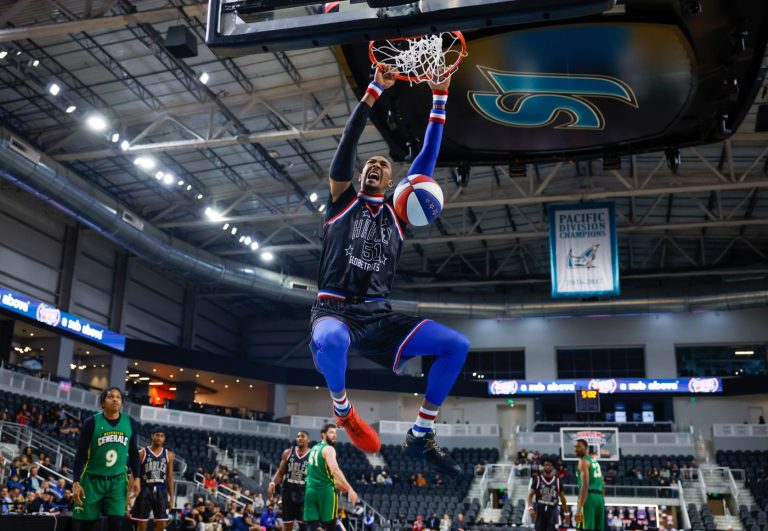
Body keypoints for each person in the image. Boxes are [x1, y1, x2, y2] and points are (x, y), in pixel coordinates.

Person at [308, 64, 469, 475]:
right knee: (330, 340)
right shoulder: (342, 198)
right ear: (360, 175)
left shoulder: (400, 212)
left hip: (379, 315)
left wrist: (440, 96)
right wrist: (374, 90)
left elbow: (428, 155)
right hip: (334, 308)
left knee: (456, 345)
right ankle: (343, 409)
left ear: (395, 178)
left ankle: (421, 432)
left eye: (383, 163)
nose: (375, 165)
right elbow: (348, 141)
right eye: (370, 164)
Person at [72, 387, 141, 531]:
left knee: (116, 523)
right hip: (92, 480)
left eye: (118, 397)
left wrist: (138, 477)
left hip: (118, 481)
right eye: (110, 397)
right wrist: (76, 482)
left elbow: (134, 453)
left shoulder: (130, 422)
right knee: (85, 525)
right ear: (103, 402)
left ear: (122, 402)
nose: (115, 399)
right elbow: (80, 454)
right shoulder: (91, 422)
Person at [303, 424, 358, 531]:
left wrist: (339, 484)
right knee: (331, 524)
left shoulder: (313, 448)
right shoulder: (329, 449)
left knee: (313, 525)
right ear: (323, 435)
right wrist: (350, 489)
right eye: (331, 432)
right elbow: (335, 470)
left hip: (310, 491)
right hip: (325, 492)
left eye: (335, 433)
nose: (335, 435)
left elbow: (321, 474)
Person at [131, 429, 176, 531]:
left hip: (161, 490)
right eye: (157, 435)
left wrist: (172, 497)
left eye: (162, 436)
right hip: (145, 489)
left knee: (162, 522)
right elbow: (134, 474)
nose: (159, 438)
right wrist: (129, 493)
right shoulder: (142, 452)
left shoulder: (169, 455)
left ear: (164, 438)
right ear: (152, 436)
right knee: (142, 523)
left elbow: (170, 477)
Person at [269, 430, 311, 531]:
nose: (300, 438)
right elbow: (280, 472)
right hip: (288, 492)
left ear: (308, 440)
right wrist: (272, 483)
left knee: (304, 526)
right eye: (298, 436)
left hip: (304, 493)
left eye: (302, 436)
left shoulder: (313, 455)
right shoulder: (288, 452)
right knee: (287, 525)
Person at [527, 457, 569, 531]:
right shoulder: (538, 479)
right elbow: (530, 496)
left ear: (553, 467)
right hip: (540, 509)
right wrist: (530, 508)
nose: (547, 467)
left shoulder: (558, 481)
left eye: (549, 465)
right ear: (543, 466)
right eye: (545, 465)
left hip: (553, 509)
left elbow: (563, 499)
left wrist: (566, 513)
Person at [574, 439, 605, 531]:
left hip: (588, 497)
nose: (576, 449)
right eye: (575, 447)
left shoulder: (583, 461)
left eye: (578, 446)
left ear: (586, 448)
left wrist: (579, 508)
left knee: (583, 527)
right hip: (599, 498)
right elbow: (603, 484)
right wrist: (600, 500)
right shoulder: (595, 462)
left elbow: (585, 485)